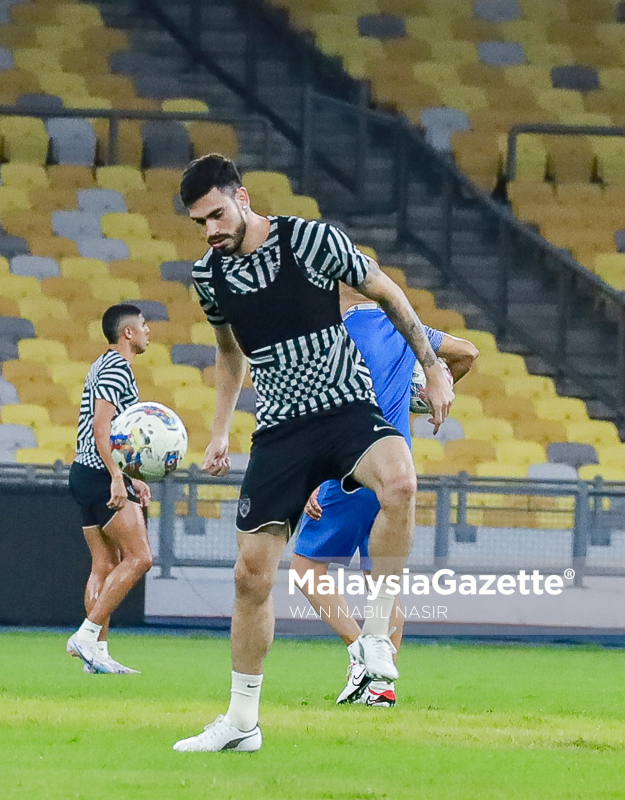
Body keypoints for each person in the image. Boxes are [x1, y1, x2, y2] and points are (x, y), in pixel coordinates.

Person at [171, 154, 453, 753]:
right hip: (281, 429)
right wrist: (219, 431)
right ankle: (242, 723)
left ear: (241, 198)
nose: (212, 231)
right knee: (252, 578)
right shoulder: (210, 277)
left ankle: (376, 634)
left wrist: (433, 368)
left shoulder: (312, 241)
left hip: (348, 406)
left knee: (401, 484)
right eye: (201, 223)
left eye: (218, 215)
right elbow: (229, 353)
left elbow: (387, 291)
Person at [292, 283, 479, 708]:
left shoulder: (327, 334)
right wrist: (435, 392)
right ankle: (380, 686)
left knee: (306, 567)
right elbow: (467, 353)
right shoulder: (398, 324)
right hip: (399, 463)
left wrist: (304, 476)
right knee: (383, 582)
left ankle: (360, 650)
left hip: (349, 466)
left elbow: (310, 410)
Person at [66, 304, 154, 675]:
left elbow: (116, 431)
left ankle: (96, 655)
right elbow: (103, 428)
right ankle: (87, 636)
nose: (149, 331)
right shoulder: (117, 367)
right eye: (144, 326)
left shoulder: (102, 364)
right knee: (140, 558)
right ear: (128, 333)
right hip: (100, 475)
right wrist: (118, 477)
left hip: (85, 472)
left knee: (105, 563)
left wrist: (133, 475)